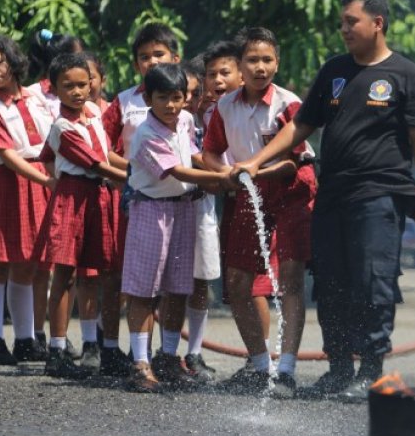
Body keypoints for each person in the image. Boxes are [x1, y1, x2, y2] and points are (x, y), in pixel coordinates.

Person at [233, 0, 415, 401]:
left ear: (377, 23)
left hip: (381, 193)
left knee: (372, 281)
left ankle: (372, 369)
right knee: (330, 281)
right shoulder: (335, 70)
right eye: (343, 22)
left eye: (351, 21)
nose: (343, 28)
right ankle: (339, 368)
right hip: (332, 193)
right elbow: (301, 126)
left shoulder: (407, 75)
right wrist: (255, 161)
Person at [203, 27, 317, 398]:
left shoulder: (289, 104)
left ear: (277, 63)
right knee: (236, 282)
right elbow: (212, 151)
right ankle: (259, 365)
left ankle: (286, 371)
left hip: (289, 190)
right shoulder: (224, 106)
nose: (261, 67)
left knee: (290, 279)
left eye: (268, 60)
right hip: (247, 192)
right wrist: (223, 174)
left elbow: (291, 163)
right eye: (252, 60)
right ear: (239, 66)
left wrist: (250, 170)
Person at [122, 63, 227, 393]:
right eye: (162, 97)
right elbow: (179, 172)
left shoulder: (184, 119)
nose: (170, 104)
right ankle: (140, 363)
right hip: (151, 211)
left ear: (186, 98)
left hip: (183, 209)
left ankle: (168, 358)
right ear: (148, 97)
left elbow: (194, 155)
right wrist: (223, 179)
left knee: (178, 286)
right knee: (143, 290)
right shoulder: (146, 133)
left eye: (177, 97)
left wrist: (225, 168)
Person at [34, 53, 127, 379]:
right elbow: (96, 163)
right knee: (65, 274)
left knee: (105, 272)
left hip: (98, 196)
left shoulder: (93, 116)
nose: (77, 91)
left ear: (93, 83)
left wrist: (136, 168)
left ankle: (107, 348)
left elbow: (105, 154)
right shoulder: (61, 126)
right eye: (68, 86)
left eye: (82, 84)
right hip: (73, 197)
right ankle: (57, 350)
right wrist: (136, 178)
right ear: (54, 89)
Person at [0, 33, 54, 365]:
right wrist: (46, 179)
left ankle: (26, 339)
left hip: (41, 180)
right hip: (11, 182)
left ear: (12, 60)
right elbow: (7, 154)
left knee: (27, 265)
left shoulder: (39, 96)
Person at [101, 22, 182, 372]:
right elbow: (102, 146)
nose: (151, 61)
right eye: (144, 57)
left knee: (176, 283)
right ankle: (115, 350)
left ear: (175, 58)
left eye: (158, 54)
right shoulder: (124, 101)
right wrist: (134, 168)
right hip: (135, 197)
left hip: (178, 201)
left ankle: (169, 356)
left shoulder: (184, 99)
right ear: (136, 64)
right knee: (129, 278)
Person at [27, 29, 85, 356]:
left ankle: (60, 334)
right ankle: (37, 333)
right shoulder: (32, 95)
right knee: (42, 265)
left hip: (72, 182)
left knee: (69, 266)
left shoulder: (82, 99)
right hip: (45, 177)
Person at [179, 57, 219, 382]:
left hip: (204, 206)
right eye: (186, 93)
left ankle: (194, 352)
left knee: (201, 279)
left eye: (197, 92)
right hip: (172, 206)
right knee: (169, 282)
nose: (192, 99)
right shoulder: (169, 122)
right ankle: (163, 352)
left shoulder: (212, 119)